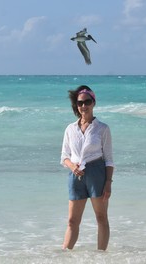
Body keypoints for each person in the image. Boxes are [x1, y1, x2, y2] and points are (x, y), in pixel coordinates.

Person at [60, 85, 114, 250]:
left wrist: (108, 182)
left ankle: (100, 256)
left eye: (87, 102)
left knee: (101, 217)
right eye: (80, 103)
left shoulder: (102, 129)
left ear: (93, 103)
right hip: (75, 176)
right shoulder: (70, 129)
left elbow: (109, 159)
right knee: (72, 221)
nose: (83, 106)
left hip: (97, 173)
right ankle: (63, 257)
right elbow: (64, 156)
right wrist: (72, 167)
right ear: (76, 105)